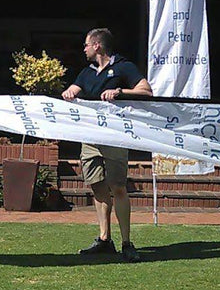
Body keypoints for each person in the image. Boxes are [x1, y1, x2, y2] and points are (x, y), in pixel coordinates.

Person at [61, 27, 153, 262]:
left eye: (86, 45)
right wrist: (70, 91)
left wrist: (120, 91)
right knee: (97, 187)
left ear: (97, 46)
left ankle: (127, 243)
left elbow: (147, 91)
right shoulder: (87, 72)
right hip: (90, 137)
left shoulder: (123, 67)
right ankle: (104, 240)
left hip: (114, 136)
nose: (84, 49)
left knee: (118, 187)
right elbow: (75, 89)